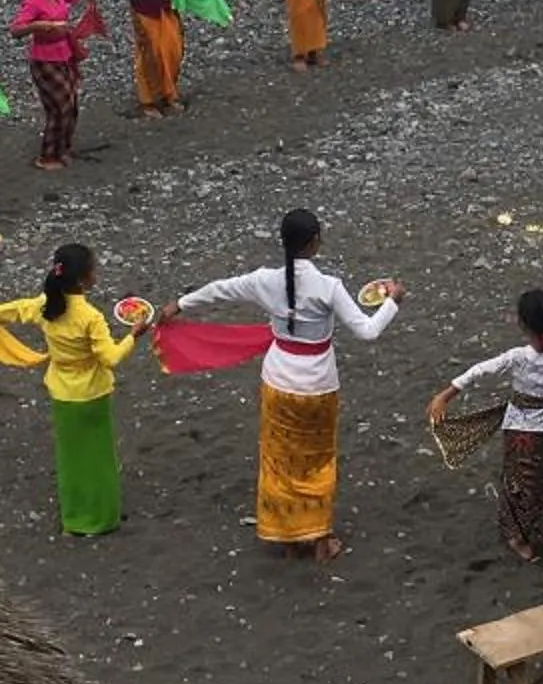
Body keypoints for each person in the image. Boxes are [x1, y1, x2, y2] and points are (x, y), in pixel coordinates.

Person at [158, 209, 397, 561]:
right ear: (315, 242)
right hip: (317, 382)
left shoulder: (264, 280)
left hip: (278, 378)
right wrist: (393, 300)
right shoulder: (328, 287)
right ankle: (320, 538)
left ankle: (286, 533)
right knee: (317, 460)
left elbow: (219, 290)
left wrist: (177, 305)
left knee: (280, 459)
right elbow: (367, 331)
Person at [0, 242, 143, 537]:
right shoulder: (89, 316)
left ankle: (74, 519)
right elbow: (111, 358)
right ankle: (100, 518)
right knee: (98, 459)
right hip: (91, 394)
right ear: (83, 279)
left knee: (70, 460)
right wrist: (133, 335)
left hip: (62, 392)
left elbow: (17, 310)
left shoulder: (47, 305)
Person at [429, 286, 543, 562]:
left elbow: (479, 370)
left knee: (516, 482)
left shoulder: (517, 357)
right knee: (541, 479)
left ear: (522, 323)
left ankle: (517, 536)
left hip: (516, 429)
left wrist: (446, 394)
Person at [9, 0, 94, 169]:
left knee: (72, 104)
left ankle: (62, 148)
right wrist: (39, 26)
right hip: (44, 60)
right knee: (60, 106)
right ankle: (47, 156)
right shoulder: (34, 2)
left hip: (64, 55)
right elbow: (16, 29)